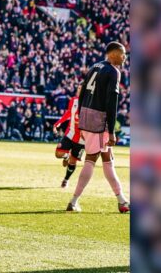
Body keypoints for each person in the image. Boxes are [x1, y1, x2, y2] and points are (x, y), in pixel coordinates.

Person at [66, 41, 130, 213]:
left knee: (107, 159)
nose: (124, 57)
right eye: (122, 54)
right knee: (92, 159)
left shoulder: (94, 67)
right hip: (98, 121)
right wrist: (111, 131)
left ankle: (122, 200)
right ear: (113, 54)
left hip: (87, 117)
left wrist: (80, 116)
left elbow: (83, 92)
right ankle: (73, 201)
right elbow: (112, 102)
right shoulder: (113, 72)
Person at [52, 94, 84, 189]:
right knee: (58, 153)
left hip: (82, 140)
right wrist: (58, 123)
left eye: (81, 88)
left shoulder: (91, 101)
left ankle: (66, 179)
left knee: (73, 162)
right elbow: (68, 113)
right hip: (70, 134)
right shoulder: (73, 100)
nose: (79, 90)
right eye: (78, 88)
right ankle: (66, 156)